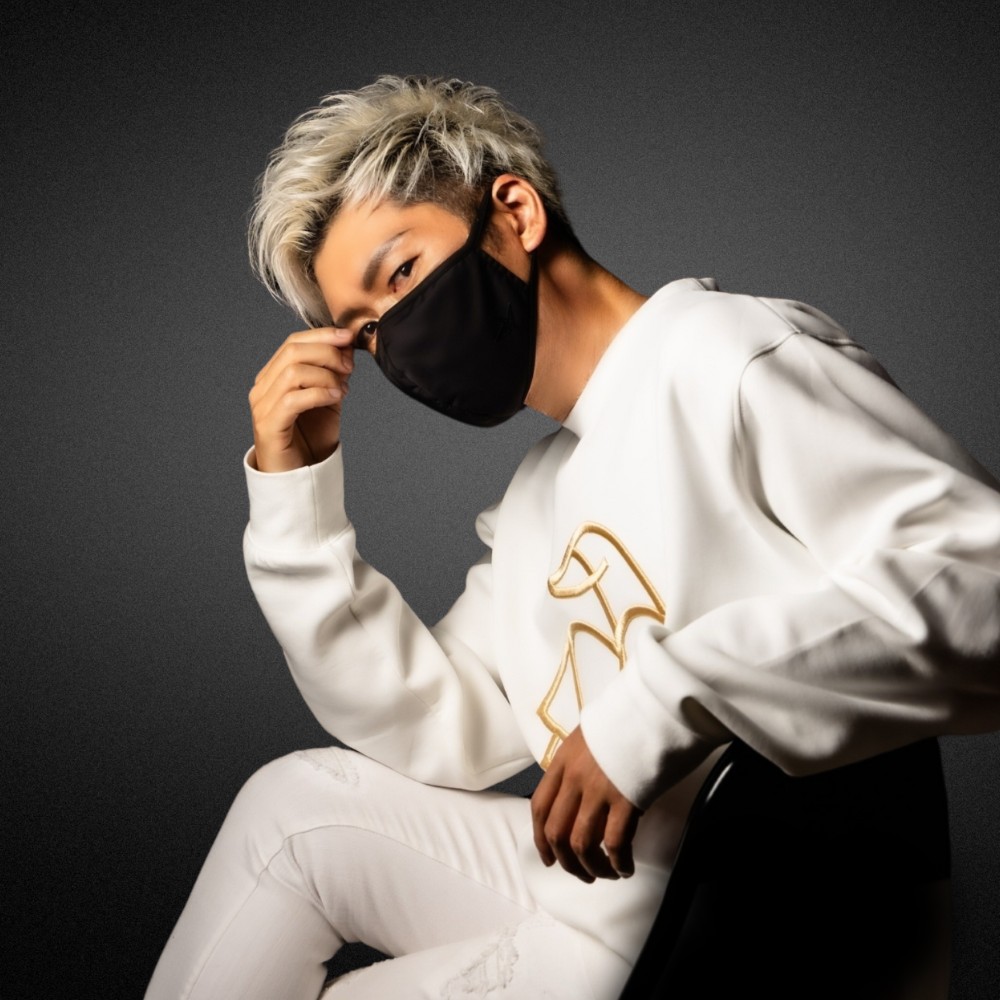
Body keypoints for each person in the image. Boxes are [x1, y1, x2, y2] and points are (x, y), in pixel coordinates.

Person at [146, 75, 1000, 1000]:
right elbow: (442, 724)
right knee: (290, 812)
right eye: (363, 331)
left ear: (514, 212)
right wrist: (295, 499)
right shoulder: (540, 493)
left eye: (401, 276)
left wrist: (666, 700)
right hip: (602, 896)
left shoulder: (722, 354)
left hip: (750, 921)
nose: (392, 338)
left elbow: (982, 582)